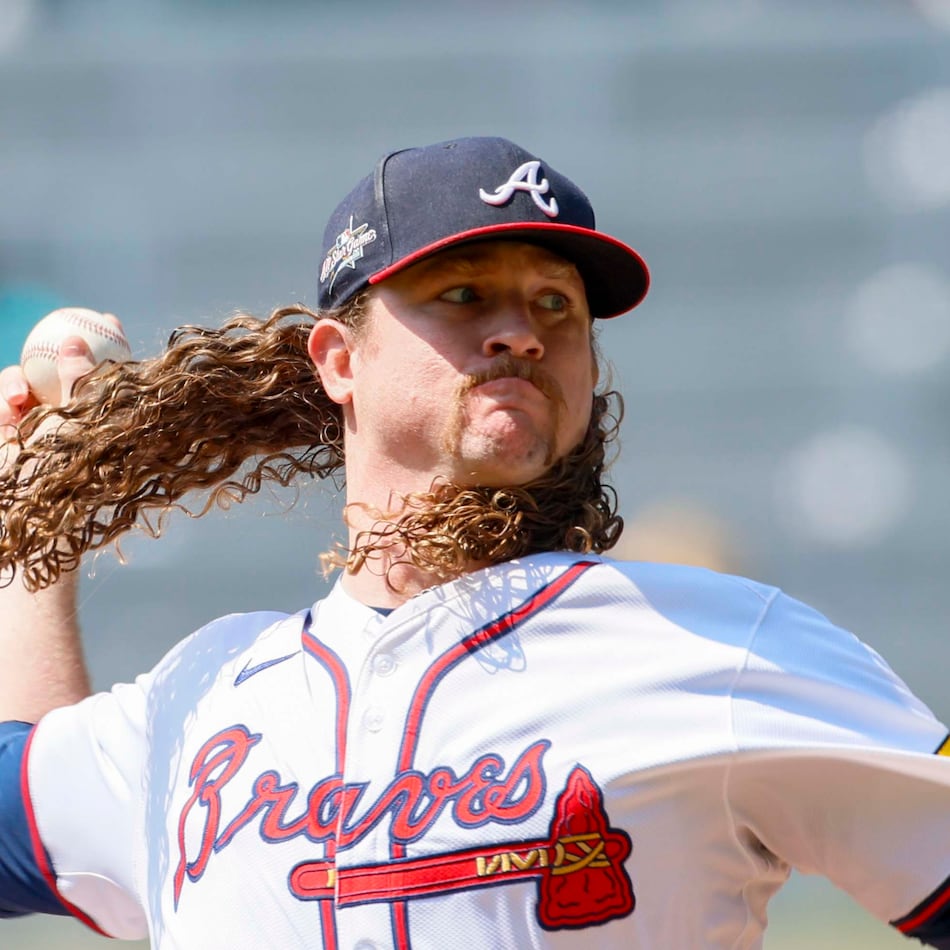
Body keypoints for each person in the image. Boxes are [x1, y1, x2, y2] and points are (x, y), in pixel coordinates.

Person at [0, 136, 947, 949]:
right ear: (340, 361)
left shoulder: (718, 649)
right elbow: (30, 809)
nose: (522, 333)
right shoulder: (200, 694)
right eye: (462, 293)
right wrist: (32, 512)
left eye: (555, 307)